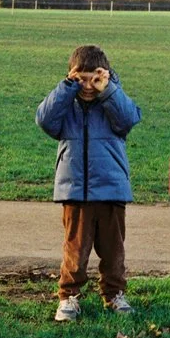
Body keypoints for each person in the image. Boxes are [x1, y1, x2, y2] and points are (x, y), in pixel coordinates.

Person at [36, 44, 142, 322]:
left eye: (94, 78)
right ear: (71, 76)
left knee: (113, 249)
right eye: (80, 78)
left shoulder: (112, 103)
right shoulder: (67, 107)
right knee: (75, 249)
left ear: (105, 76)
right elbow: (44, 120)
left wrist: (108, 90)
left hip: (110, 189)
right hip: (75, 190)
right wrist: (66, 88)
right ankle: (68, 296)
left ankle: (114, 294)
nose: (87, 85)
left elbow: (129, 119)